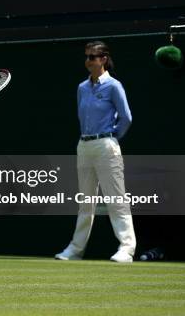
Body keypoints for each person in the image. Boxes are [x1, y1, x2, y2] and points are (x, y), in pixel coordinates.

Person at [55, 41, 136, 263]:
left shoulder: (113, 86)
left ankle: (127, 249)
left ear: (103, 59)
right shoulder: (82, 87)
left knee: (116, 198)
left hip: (106, 145)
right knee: (85, 201)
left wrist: (111, 137)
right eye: (87, 56)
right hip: (84, 145)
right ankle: (75, 249)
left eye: (92, 56)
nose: (88, 60)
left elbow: (126, 117)